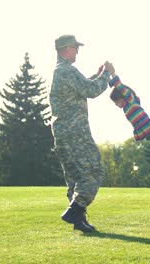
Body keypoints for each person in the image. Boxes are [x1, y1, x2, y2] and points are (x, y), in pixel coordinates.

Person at [50, 34, 115, 233]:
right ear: (67, 49)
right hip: (75, 133)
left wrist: (96, 75)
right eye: (75, 48)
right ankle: (75, 210)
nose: (77, 51)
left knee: (75, 178)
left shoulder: (61, 72)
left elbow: (82, 86)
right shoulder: (67, 71)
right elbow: (92, 91)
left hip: (62, 133)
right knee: (94, 171)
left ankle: (78, 221)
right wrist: (106, 74)